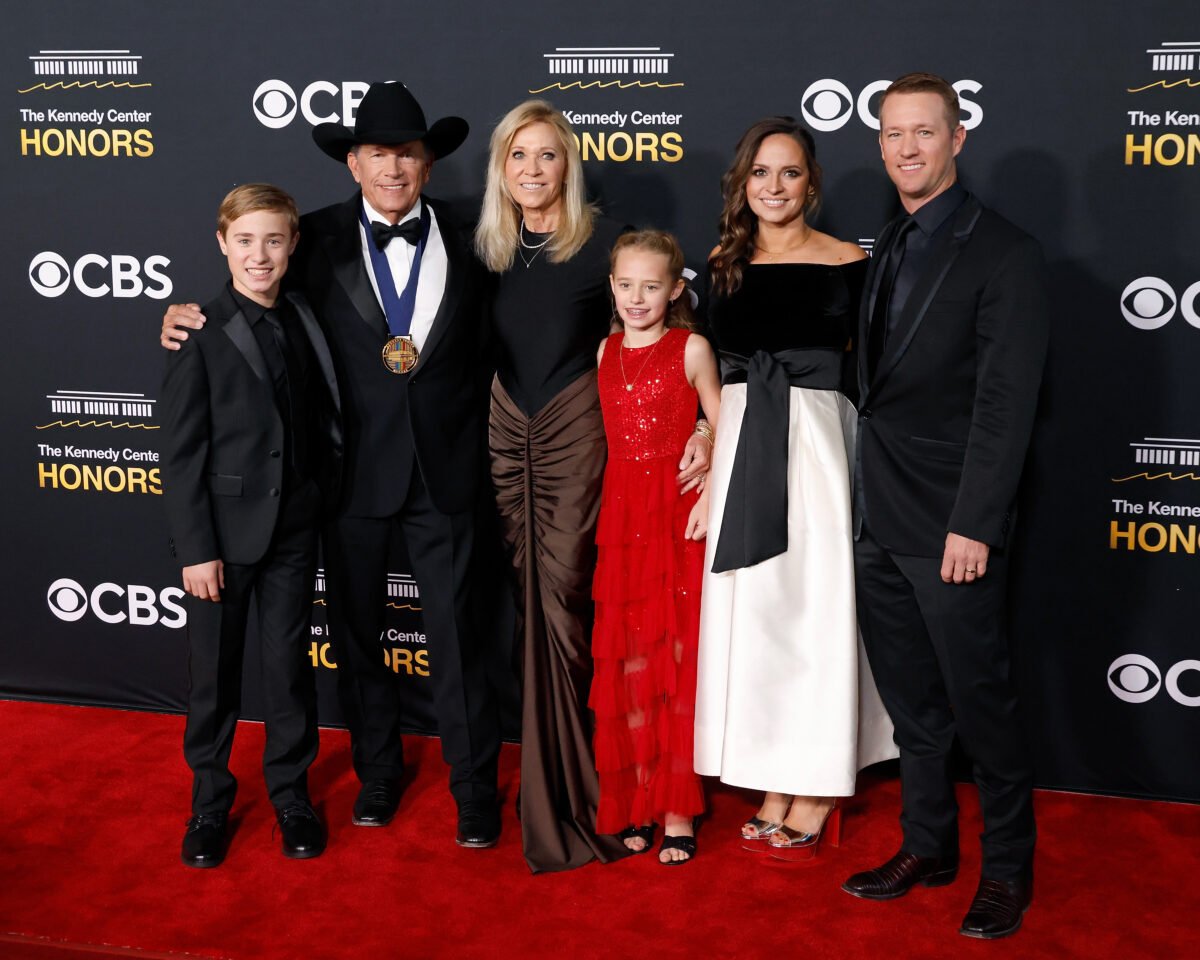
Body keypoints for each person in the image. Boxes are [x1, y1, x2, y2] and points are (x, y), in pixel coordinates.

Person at [160, 82, 501, 849]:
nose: (394, 167)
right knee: (357, 641)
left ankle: (475, 787)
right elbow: (249, 296)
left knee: (459, 639)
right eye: (378, 152)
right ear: (352, 162)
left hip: (447, 476)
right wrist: (182, 315)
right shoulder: (307, 240)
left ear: (428, 162)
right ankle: (379, 771)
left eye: (408, 153)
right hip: (348, 485)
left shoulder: (480, 237)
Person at [475, 100, 711, 872]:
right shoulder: (486, 247)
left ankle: (604, 790)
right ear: (501, 168)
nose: (533, 170)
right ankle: (561, 786)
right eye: (519, 156)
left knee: (573, 606)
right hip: (510, 439)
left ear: (568, 165)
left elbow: (678, 342)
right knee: (527, 606)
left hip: (579, 446)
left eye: (547, 155)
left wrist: (707, 430)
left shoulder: (608, 244)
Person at [841, 73, 1048, 940]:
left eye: (923, 132)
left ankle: (1006, 869)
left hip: (951, 526)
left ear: (957, 139)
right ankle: (927, 845)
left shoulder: (1004, 252)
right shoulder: (889, 241)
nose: (906, 148)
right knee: (913, 708)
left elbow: (1006, 405)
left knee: (982, 707)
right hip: (878, 514)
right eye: (893, 133)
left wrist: (975, 523)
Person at [693, 117, 898, 862]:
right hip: (745, 441)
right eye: (759, 174)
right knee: (757, 612)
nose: (772, 187)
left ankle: (815, 781)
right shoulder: (722, 261)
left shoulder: (850, 261)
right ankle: (772, 771)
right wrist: (705, 432)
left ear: (812, 181)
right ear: (741, 184)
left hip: (816, 445)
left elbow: (875, 373)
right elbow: (709, 368)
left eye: (788, 173)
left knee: (814, 611)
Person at [163, 184, 341, 867]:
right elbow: (180, 453)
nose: (259, 254)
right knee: (214, 677)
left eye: (273, 240)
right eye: (245, 240)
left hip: (296, 528)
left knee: (289, 671)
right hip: (222, 542)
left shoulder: (304, 314)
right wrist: (197, 550)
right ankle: (208, 804)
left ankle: (291, 796)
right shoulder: (197, 331)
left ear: (293, 245)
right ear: (222, 243)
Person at [590, 231, 721, 865]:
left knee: (675, 664)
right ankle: (638, 798)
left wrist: (705, 492)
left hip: (675, 519)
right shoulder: (605, 350)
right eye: (625, 284)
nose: (636, 297)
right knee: (632, 663)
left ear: (676, 290)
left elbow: (725, 428)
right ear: (611, 287)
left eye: (651, 286)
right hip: (621, 521)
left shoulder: (691, 347)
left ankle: (677, 812)